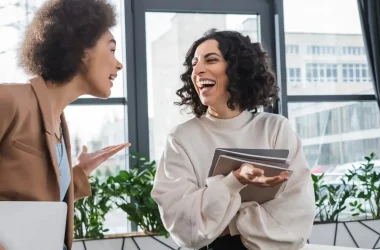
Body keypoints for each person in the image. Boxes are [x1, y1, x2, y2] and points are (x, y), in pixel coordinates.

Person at [151, 29, 315, 250]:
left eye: (211, 60)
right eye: (194, 64)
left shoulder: (275, 128)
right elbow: (183, 225)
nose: (197, 70)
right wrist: (234, 180)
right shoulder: (180, 139)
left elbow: (298, 213)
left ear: (238, 69)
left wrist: (222, 221)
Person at [0, 0, 129, 250]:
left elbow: (33, 194)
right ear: (81, 49)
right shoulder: (9, 100)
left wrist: (77, 174)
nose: (119, 64)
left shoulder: (59, 123)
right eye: (111, 50)